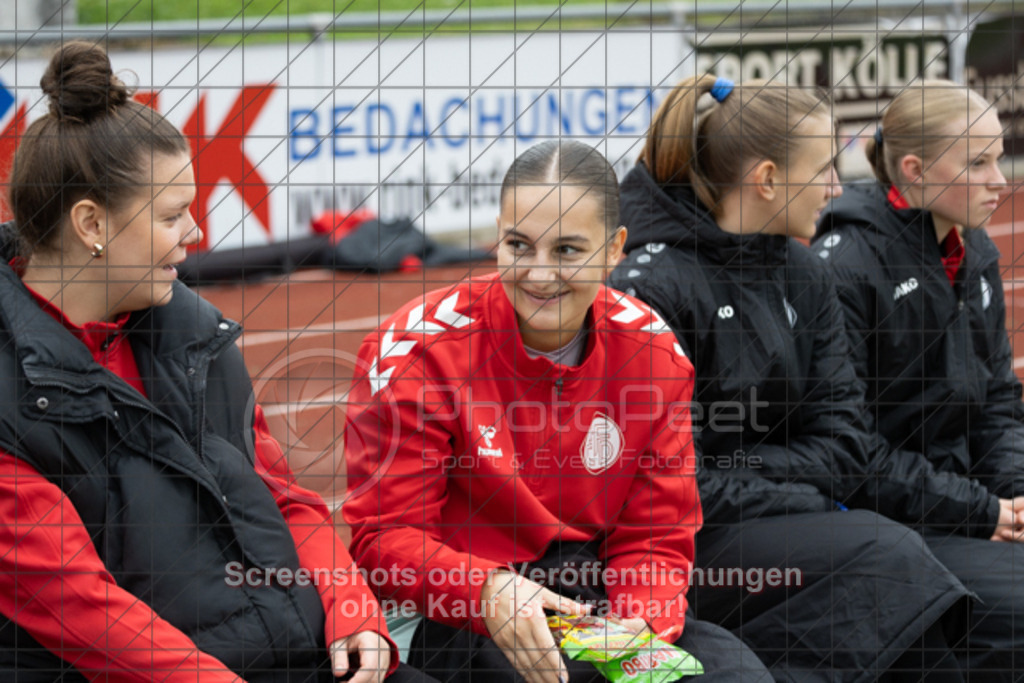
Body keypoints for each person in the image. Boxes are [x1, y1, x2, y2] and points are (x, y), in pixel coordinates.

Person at [0, 41, 423, 682]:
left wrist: (352, 608)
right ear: (91, 224)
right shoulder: (11, 398)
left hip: (291, 650)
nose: (196, 233)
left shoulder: (193, 336)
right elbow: (85, 611)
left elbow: (283, 497)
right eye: (173, 215)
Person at [343, 139, 771, 682]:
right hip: (464, 609)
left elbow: (656, 534)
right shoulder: (416, 350)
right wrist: (485, 589)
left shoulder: (653, 351)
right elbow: (384, 538)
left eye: (568, 250)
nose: (540, 275)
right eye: (519, 245)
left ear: (615, 248)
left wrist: (636, 632)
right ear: (496, 235)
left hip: (595, 596)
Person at [607, 75, 973, 681]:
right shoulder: (649, 289)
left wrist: (779, 478)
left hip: (783, 520)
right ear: (768, 178)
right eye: (824, 166)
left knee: (906, 599)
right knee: (884, 555)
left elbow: (845, 447)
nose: (836, 186)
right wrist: (804, 488)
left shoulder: (804, 270)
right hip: (680, 550)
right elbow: (674, 485)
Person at [814, 79, 1024, 677]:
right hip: (888, 522)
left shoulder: (973, 249)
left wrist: (1014, 495)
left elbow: (997, 404)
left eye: (999, 157)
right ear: (914, 168)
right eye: (978, 162)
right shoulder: (848, 267)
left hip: (966, 504)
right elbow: (853, 456)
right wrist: (983, 513)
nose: (1000, 180)